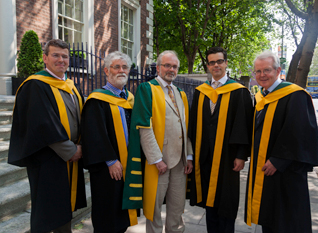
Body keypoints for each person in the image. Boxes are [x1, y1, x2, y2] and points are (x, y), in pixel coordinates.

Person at [8, 39, 87, 233]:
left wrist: (83, 144)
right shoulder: (35, 85)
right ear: (45, 58)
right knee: (47, 211)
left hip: (69, 159)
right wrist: (71, 150)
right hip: (47, 159)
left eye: (65, 56)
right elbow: (44, 123)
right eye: (56, 55)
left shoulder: (69, 85)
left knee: (63, 208)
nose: (61, 60)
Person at [244, 50, 318, 233]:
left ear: (278, 71)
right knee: (269, 218)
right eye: (258, 71)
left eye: (267, 70)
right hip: (264, 170)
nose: (262, 75)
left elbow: (300, 132)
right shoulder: (261, 98)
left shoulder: (295, 96)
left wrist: (278, 160)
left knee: (287, 221)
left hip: (286, 173)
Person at [122, 50, 193, 233]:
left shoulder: (180, 93)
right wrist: (156, 159)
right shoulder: (147, 89)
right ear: (158, 67)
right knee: (154, 209)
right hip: (159, 161)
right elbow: (144, 127)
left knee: (177, 209)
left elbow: (185, 127)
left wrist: (189, 156)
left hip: (180, 162)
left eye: (174, 66)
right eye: (167, 65)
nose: (171, 69)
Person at [188, 46, 254, 233]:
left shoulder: (238, 91)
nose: (216, 65)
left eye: (219, 61)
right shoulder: (201, 91)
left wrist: (241, 155)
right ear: (208, 66)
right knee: (210, 202)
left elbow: (244, 125)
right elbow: (194, 124)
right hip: (205, 156)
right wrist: (191, 154)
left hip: (227, 157)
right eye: (212, 62)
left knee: (226, 202)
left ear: (225, 63)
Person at [81, 51, 138, 232]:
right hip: (108, 168)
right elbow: (93, 134)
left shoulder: (129, 99)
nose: (121, 70)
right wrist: (111, 160)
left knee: (122, 212)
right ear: (106, 71)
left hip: (128, 164)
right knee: (107, 212)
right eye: (116, 67)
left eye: (124, 67)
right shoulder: (97, 100)